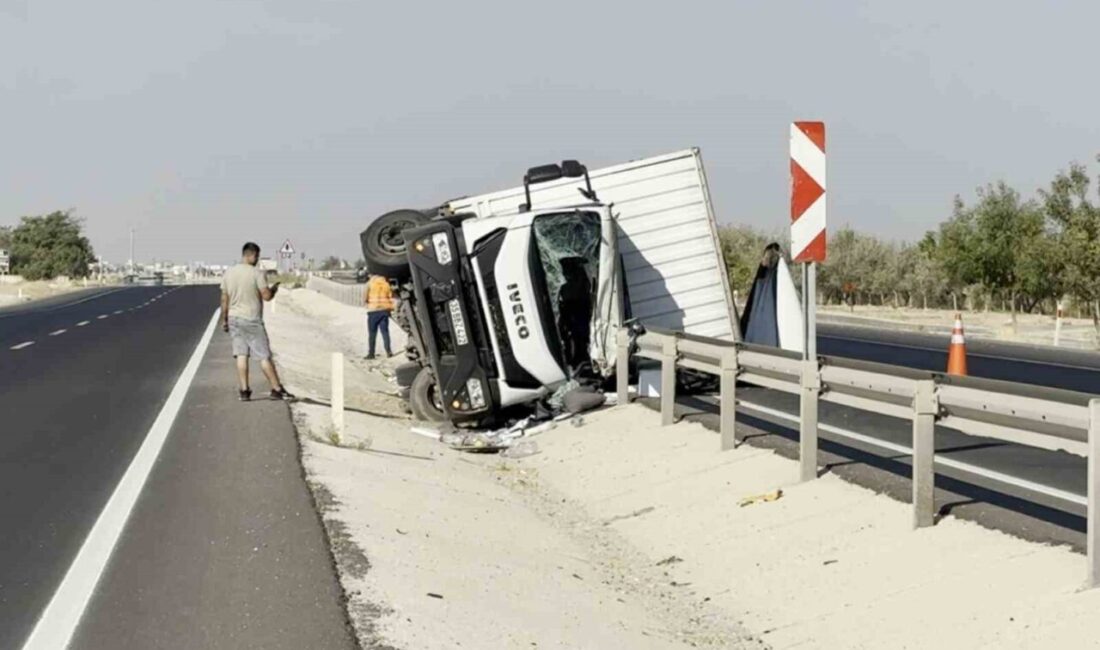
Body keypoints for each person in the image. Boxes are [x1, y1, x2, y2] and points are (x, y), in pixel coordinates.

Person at [220, 242, 294, 401]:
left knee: (241, 355)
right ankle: (277, 389)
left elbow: (224, 299)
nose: (257, 259)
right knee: (264, 356)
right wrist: (274, 290)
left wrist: (224, 320)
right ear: (250, 255)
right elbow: (266, 296)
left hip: (234, 318)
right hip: (252, 319)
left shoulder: (229, 273)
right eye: (257, 256)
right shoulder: (257, 273)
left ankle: (244, 391)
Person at [364, 272, 394, 359]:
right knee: (385, 332)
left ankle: (371, 353)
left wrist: (368, 304)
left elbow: (365, 298)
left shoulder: (369, 284)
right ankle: (388, 351)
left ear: (371, 275)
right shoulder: (386, 284)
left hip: (373, 311)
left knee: (372, 333)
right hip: (384, 310)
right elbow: (390, 296)